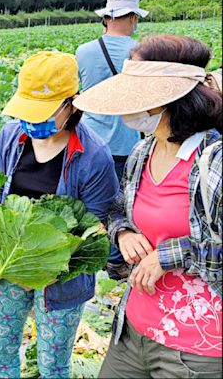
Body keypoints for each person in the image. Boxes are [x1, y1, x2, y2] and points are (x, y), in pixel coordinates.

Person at [0, 52, 119, 378]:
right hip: (7, 270)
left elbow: (96, 231)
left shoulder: (96, 156)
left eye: (41, 113)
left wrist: (48, 258)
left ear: (71, 104)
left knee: (53, 364)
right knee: (1, 355)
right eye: (26, 112)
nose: (31, 123)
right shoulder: (10, 136)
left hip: (61, 281)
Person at [73, 35, 222, 378]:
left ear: (163, 104)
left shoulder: (213, 162)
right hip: (133, 330)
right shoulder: (143, 152)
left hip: (195, 347)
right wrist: (122, 231)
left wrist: (171, 254)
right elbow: (117, 207)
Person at [76, 0, 149, 281]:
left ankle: (87, 251)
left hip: (90, 139)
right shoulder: (141, 53)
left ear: (106, 17)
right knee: (121, 204)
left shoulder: (84, 51)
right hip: (127, 141)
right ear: (131, 17)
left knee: (89, 203)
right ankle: (116, 261)